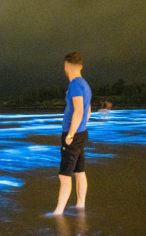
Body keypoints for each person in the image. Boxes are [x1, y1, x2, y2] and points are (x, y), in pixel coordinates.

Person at [52, 51, 92, 215]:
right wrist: (82, 127)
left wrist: (70, 135)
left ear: (68, 65)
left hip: (73, 135)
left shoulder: (75, 84)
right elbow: (88, 110)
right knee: (79, 172)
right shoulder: (85, 84)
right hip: (81, 134)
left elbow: (79, 110)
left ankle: (58, 213)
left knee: (64, 175)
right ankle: (80, 206)